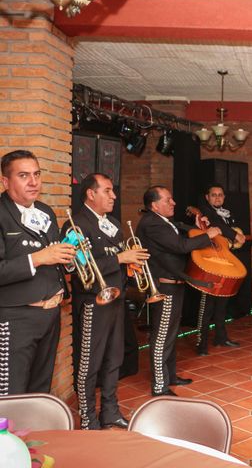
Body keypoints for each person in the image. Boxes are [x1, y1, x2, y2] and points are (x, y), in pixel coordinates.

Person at [64, 173, 149, 429]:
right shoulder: (76, 225)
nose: (114, 196)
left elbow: (116, 256)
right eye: (108, 191)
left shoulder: (111, 223)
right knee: (89, 362)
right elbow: (79, 268)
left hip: (115, 299)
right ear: (91, 194)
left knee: (114, 359)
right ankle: (88, 417)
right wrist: (121, 259)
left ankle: (110, 411)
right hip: (92, 303)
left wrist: (130, 266)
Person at [0, 150, 76, 395]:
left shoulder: (45, 211)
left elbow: (54, 257)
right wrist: (38, 258)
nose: (33, 182)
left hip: (50, 315)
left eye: (37, 174)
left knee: (40, 391)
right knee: (11, 393)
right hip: (16, 317)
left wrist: (70, 260)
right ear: (5, 181)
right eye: (23, 176)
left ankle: (34, 435)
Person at [136, 186, 221, 396]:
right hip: (163, 287)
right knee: (162, 336)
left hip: (174, 284)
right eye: (168, 200)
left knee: (171, 336)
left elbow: (179, 234)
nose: (173, 203)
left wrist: (198, 227)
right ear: (155, 205)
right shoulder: (151, 223)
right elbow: (180, 246)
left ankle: (170, 376)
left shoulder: (163, 222)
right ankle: (159, 386)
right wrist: (207, 235)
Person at [196, 184, 252, 353]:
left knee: (222, 304)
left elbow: (232, 243)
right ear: (207, 197)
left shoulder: (229, 215)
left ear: (224, 197)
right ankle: (201, 345)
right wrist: (235, 235)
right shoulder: (204, 211)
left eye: (220, 195)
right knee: (207, 306)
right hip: (210, 265)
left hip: (226, 264)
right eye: (213, 195)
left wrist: (249, 240)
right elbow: (218, 227)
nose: (217, 198)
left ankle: (221, 338)